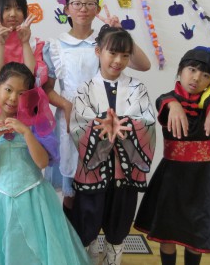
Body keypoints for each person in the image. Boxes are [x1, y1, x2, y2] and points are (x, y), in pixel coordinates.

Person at [42, 0, 151, 216]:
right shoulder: (55, 46)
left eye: (89, 3)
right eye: (77, 3)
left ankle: (100, 233)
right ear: (67, 8)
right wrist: (66, 105)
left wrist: (121, 33)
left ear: (97, 9)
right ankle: (74, 237)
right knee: (73, 188)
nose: (83, 8)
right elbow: (47, 89)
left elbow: (144, 65)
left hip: (107, 118)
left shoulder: (107, 42)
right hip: (71, 120)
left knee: (106, 180)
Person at [0, 62, 91, 265]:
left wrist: (27, 133)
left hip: (34, 200)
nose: (13, 98)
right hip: (0, 202)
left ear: (28, 96)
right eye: (8, 90)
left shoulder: (37, 125)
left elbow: (42, 162)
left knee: (39, 250)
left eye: (21, 94)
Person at [134, 46, 210, 265]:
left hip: (203, 180)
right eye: (192, 70)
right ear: (180, 70)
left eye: (206, 75)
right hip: (172, 178)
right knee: (167, 232)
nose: (197, 78)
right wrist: (173, 105)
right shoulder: (167, 100)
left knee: (197, 234)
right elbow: (163, 101)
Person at [69, 25, 156, 265]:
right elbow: (78, 126)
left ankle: (112, 261)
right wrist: (102, 127)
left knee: (119, 225)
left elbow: (147, 123)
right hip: (92, 172)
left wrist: (124, 126)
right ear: (98, 51)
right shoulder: (84, 89)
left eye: (125, 55)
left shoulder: (137, 88)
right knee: (86, 224)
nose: (118, 61)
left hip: (124, 174)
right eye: (113, 53)